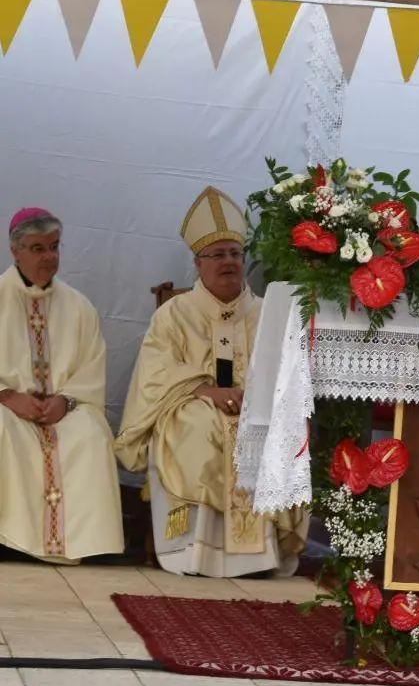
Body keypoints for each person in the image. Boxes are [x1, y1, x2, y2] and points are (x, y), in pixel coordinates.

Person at [116, 187, 307, 577]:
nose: (228, 262)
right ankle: (195, 551)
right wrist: (203, 391)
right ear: (198, 263)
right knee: (200, 428)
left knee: (270, 431)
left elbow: (286, 375)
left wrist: (256, 398)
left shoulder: (265, 315)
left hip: (253, 410)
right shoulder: (174, 314)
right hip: (191, 407)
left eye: (235, 254)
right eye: (217, 254)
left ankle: (259, 557)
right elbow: (155, 375)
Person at [0, 209, 123, 563]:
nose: (49, 257)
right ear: (16, 251)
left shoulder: (79, 307)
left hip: (61, 411)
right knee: (2, 428)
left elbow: (91, 366)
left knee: (91, 431)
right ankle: (10, 539)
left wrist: (66, 401)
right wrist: (9, 396)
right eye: (38, 248)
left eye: (54, 246)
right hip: (10, 408)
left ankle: (87, 544)